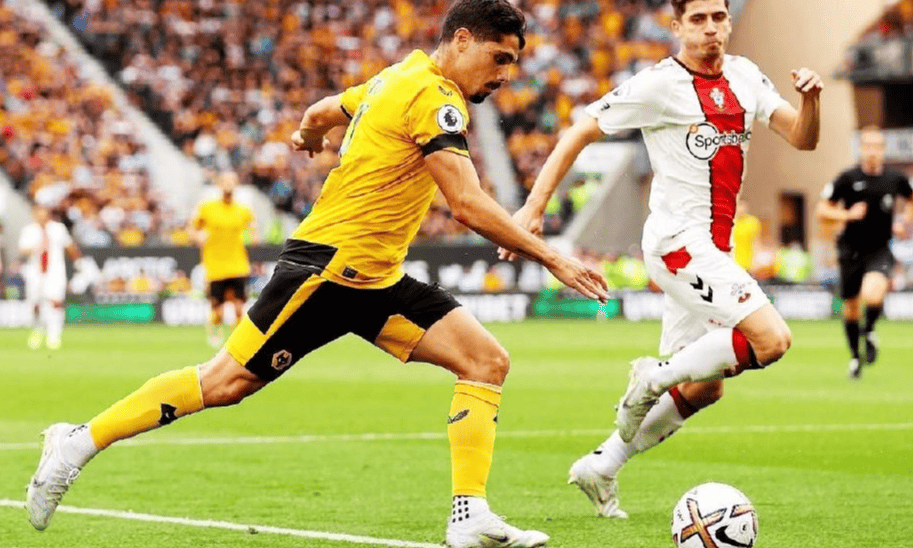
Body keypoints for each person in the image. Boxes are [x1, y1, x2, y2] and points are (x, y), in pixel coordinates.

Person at [26, 2, 609, 547]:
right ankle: (76, 442)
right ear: (461, 40)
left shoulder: (393, 78)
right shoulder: (433, 96)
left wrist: (308, 136)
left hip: (376, 280)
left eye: (513, 62)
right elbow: (466, 203)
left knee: (485, 361)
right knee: (225, 383)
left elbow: (321, 112)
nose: (505, 75)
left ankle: (470, 515)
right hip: (325, 269)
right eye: (499, 57)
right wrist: (554, 257)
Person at [501, 0, 820, 518]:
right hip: (678, 243)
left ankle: (602, 465)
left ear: (729, 22)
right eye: (698, 19)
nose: (711, 27)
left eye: (718, 17)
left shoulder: (746, 75)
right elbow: (581, 129)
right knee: (772, 339)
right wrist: (534, 208)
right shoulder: (659, 84)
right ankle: (654, 377)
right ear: (676, 27)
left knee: (706, 387)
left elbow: (803, 138)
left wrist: (811, 100)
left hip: (712, 250)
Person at [816, 126, 912, 379]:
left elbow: (911, 200)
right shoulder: (847, 178)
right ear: (860, 149)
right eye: (867, 146)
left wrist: (904, 220)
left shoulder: (895, 178)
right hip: (850, 250)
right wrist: (847, 214)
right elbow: (822, 211)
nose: (872, 151)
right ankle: (855, 358)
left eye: (877, 146)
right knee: (850, 309)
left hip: (879, 248)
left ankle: (868, 330)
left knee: (872, 294)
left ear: (883, 150)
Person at [189, 171, 259, 347]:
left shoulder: (243, 210)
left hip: (238, 264)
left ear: (237, 185)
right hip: (216, 265)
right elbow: (192, 227)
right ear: (219, 185)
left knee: (239, 307)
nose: (228, 185)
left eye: (232, 181)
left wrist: (253, 237)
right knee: (218, 310)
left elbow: (254, 230)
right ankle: (214, 332)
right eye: (225, 181)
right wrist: (197, 237)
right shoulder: (208, 208)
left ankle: (237, 342)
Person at [18, 204, 82, 350]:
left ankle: (54, 336)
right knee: (35, 303)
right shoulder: (29, 230)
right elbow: (23, 250)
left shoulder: (58, 228)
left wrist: (79, 262)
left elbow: (69, 246)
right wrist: (35, 247)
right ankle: (37, 329)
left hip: (55, 271)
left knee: (56, 302)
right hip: (35, 271)